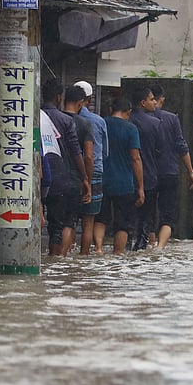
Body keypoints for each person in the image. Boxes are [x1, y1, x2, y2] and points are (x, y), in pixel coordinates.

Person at [41, 77, 90, 256]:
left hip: (36, 178)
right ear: (59, 97)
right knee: (58, 226)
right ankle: (56, 261)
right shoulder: (65, 120)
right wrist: (85, 178)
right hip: (60, 180)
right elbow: (77, 153)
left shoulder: (34, 117)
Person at [149, 83, 193, 248]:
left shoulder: (139, 118)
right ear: (161, 99)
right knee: (167, 216)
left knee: (148, 213)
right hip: (169, 173)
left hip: (148, 173)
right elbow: (182, 147)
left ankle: (150, 244)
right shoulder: (172, 119)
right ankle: (160, 248)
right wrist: (190, 171)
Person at [99, 96, 145, 255]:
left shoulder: (101, 124)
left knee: (100, 219)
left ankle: (98, 249)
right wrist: (140, 187)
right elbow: (136, 158)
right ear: (128, 112)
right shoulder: (131, 129)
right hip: (124, 183)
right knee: (123, 223)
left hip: (101, 180)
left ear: (111, 109)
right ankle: (117, 254)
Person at [73, 81, 107, 255]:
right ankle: (83, 260)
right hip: (93, 173)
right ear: (89, 99)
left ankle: (64, 257)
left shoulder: (65, 118)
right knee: (88, 222)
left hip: (70, 173)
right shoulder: (98, 121)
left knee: (69, 221)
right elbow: (99, 153)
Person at [63, 85, 97, 253]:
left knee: (55, 223)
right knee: (69, 223)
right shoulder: (84, 124)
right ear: (81, 103)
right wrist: (87, 181)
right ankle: (62, 258)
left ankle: (53, 257)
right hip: (74, 178)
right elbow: (89, 157)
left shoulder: (52, 118)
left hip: (53, 176)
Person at [129, 85, 164, 250]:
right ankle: (141, 249)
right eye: (151, 99)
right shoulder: (155, 123)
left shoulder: (126, 121)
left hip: (127, 178)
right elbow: (160, 150)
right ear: (143, 103)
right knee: (146, 218)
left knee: (126, 220)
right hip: (149, 176)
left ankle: (125, 247)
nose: (155, 103)